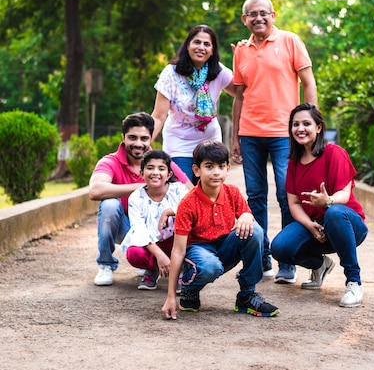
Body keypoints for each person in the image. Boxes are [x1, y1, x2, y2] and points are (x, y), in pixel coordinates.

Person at [231, 0, 318, 283]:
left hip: (284, 134)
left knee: (286, 194)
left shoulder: (290, 41)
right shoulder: (241, 50)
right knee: (255, 198)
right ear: (245, 19)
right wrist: (234, 138)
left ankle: (287, 261)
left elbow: (308, 82)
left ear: (273, 14)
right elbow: (239, 97)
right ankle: (262, 259)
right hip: (250, 134)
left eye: (263, 13)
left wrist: (311, 122)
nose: (258, 18)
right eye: (252, 14)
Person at [161, 140, 279, 320]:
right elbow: (178, 250)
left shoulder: (232, 192)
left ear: (227, 168)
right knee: (210, 266)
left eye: (220, 166)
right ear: (196, 170)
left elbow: (247, 216)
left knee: (255, 230)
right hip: (199, 253)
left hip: (225, 246)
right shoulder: (188, 203)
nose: (216, 172)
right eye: (209, 166)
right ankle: (189, 289)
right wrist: (170, 297)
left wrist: (247, 215)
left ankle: (247, 295)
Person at [271, 103, 368, 308]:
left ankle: (354, 282)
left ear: (319, 127)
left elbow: (344, 193)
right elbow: (294, 202)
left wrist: (328, 201)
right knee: (280, 248)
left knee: (333, 213)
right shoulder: (294, 162)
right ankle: (320, 265)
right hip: (317, 227)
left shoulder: (334, 153)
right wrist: (310, 226)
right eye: (295, 124)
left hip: (347, 224)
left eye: (306, 123)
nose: (300, 128)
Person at [89, 112, 192, 286]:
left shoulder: (161, 163)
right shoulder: (110, 162)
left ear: (151, 138)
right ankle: (105, 264)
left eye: (144, 138)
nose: (138, 143)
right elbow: (95, 190)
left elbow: (191, 193)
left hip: (161, 229)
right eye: (132, 138)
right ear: (123, 138)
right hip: (127, 227)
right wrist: (145, 187)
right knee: (109, 205)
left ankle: (154, 264)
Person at [151, 24, 236, 183]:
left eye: (207, 44)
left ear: (212, 51)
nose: (201, 47)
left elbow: (242, 93)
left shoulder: (219, 72)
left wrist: (242, 63)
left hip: (209, 142)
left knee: (207, 192)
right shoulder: (171, 73)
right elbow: (158, 116)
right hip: (178, 143)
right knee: (181, 192)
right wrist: (144, 143)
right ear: (188, 46)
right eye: (197, 42)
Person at [121, 149, 188, 290]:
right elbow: (139, 230)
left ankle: (181, 273)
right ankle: (153, 270)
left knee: (190, 242)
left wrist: (170, 211)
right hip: (152, 244)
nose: (155, 172)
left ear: (169, 174)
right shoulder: (136, 198)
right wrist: (160, 256)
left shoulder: (179, 190)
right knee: (134, 253)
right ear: (141, 173)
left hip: (175, 241)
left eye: (161, 168)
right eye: (150, 168)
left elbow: (192, 211)